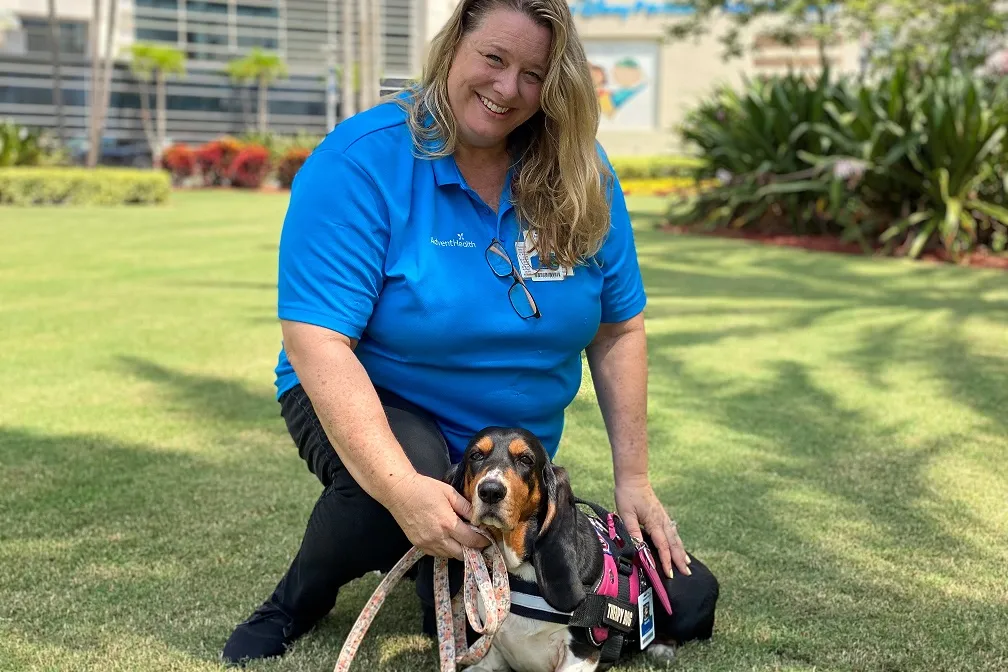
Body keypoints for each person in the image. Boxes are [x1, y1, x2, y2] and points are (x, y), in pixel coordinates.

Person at [221, 0, 717, 665]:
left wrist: (635, 479)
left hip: (504, 448)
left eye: (534, 74)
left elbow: (618, 329)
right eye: (493, 58)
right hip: (371, 396)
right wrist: (401, 489)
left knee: (667, 602)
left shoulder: (582, 172)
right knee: (401, 480)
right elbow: (318, 341)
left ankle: (440, 566)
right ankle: (296, 601)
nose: (508, 89)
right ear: (454, 44)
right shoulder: (361, 160)